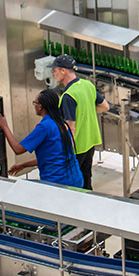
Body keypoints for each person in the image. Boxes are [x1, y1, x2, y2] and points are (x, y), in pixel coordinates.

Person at [0, 89, 83, 188]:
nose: (34, 105)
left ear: (40, 106)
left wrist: (4, 126)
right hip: (75, 179)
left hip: (57, 182)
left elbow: (18, 149)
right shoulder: (62, 123)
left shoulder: (44, 127)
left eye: (35, 103)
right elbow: (53, 157)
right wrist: (24, 165)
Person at [48, 54, 109, 190]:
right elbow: (105, 106)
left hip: (77, 147)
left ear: (63, 71)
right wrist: (86, 114)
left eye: (54, 70)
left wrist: (65, 152)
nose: (52, 74)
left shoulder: (68, 96)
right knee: (86, 179)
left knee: (73, 184)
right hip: (90, 142)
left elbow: (71, 127)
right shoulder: (87, 85)